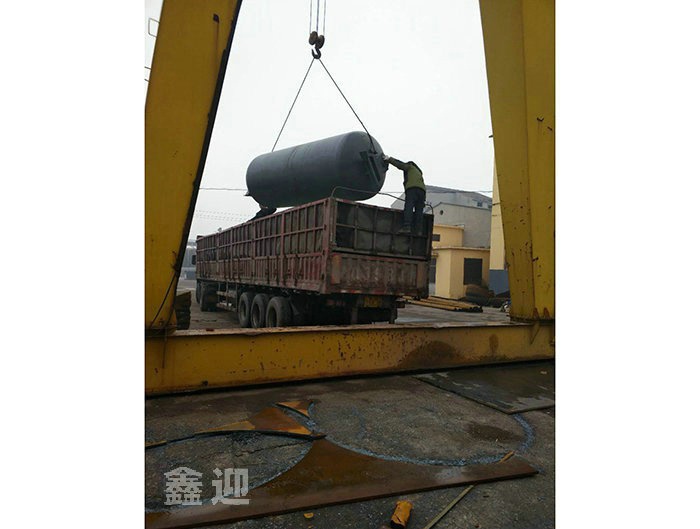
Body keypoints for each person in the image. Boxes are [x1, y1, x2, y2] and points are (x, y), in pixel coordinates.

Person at [384, 155, 426, 233]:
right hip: (422, 192)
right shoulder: (419, 173)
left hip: (412, 189)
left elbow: (400, 165)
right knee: (419, 211)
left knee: (409, 207)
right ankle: (418, 230)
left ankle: (407, 227)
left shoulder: (410, 167)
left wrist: (389, 159)